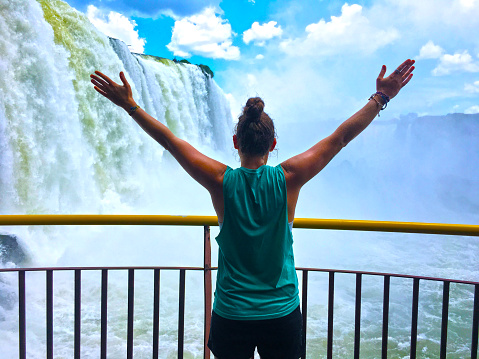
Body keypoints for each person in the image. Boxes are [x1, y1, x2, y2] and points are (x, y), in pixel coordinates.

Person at [90, 59, 415, 359]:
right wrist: (380, 98)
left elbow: (171, 142)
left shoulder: (221, 181)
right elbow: (340, 138)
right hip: (281, 313)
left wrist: (129, 105)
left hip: (231, 314)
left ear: (235, 143)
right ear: (273, 144)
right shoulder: (288, 179)